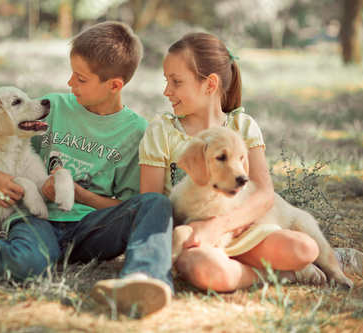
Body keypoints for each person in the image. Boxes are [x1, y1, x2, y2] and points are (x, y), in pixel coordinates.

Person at [0, 22, 173, 317]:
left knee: (156, 203)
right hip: (35, 219)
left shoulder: (136, 132)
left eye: (81, 78)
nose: (70, 83)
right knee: (25, 265)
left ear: (114, 85)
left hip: (91, 228)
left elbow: (125, 206)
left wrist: (80, 195)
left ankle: (144, 279)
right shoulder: (56, 107)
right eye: (72, 73)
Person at [139, 32, 326, 292]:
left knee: (304, 247)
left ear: (210, 84)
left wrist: (221, 225)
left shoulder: (242, 126)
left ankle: (301, 264)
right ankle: (283, 274)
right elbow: (151, 205)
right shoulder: (161, 132)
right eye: (166, 80)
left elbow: (264, 193)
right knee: (215, 274)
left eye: (176, 81)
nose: (166, 90)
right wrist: (190, 234)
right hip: (195, 241)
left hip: (243, 233)